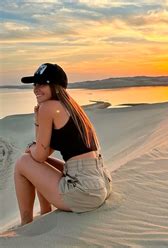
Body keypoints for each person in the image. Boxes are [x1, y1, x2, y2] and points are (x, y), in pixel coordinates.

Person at [14, 63, 112, 226]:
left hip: (85, 191)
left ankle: (26, 224)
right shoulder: (71, 107)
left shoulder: (48, 107)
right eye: (35, 84)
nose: (36, 89)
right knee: (36, 163)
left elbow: (38, 153)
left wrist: (31, 144)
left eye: (42, 83)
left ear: (55, 86)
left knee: (22, 163)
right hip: (100, 182)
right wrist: (38, 126)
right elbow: (42, 155)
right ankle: (45, 214)